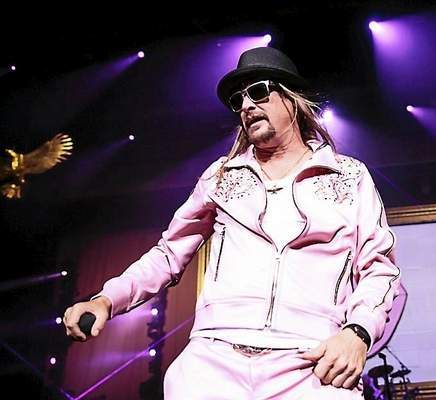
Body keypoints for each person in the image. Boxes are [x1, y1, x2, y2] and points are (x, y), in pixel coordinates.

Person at [64, 46, 405, 399]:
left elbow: (379, 268)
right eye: (237, 99)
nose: (246, 105)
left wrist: (358, 332)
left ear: (292, 99)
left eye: (258, 91)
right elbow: (168, 254)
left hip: (310, 363)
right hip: (213, 362)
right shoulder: (222, 176)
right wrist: (106, 299)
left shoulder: (348, 175)